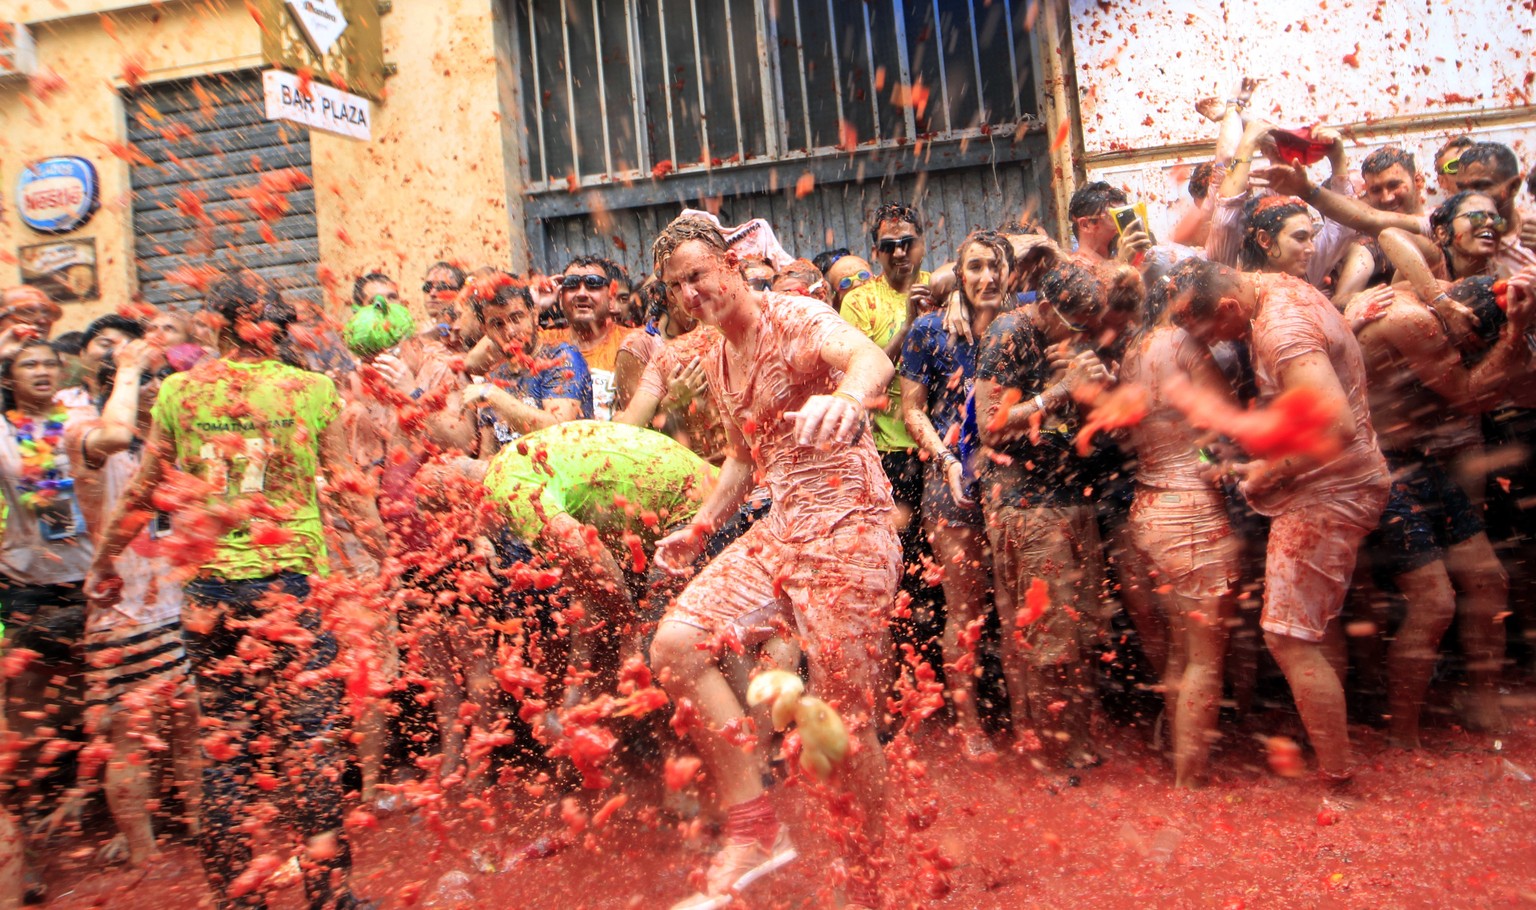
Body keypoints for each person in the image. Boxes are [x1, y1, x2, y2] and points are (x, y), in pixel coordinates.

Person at [86, 269, 386, 910]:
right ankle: (331, 898)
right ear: (276, 327)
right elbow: (346, 481)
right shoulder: (309, 388)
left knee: (224, 750)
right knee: (309, 744)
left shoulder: (177, 393)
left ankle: (236, 899)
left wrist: (103, 563)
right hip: (291, 587)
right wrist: (381, 553)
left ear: (215, 325)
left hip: (211, 593)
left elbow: (142, 493)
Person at [648, 215, 899, 910]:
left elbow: (870, 358)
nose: (690, 293)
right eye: (676, 287)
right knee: (674, 645)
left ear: (729, 264)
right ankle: (755, 827)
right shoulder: (714, 357)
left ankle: (869, 883)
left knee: (847, 723)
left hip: (851, 534)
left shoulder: (797, 317)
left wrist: (849, 399)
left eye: (698, 275)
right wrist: (700, 529)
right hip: (782, 534)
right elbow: (739, 456)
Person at [1170, 256, 1389, 782]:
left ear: (1227, 306)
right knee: (1310, 630)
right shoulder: (1267, 286)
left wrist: (1269, 473)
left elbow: (1336, 429)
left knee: (1287, 638)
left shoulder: (1282, 326)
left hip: (1331, 491)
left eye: (1213, 332)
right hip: (1330, 481)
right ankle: (1333, 753)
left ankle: (1339, 778)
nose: (1217, 344)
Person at [1344, 272, 1533, 742]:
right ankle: (1402, 732)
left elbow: (1497, 389)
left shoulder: (1442, 301)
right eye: (1468, 349)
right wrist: (1512, 335)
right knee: (1435, 602)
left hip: (1419, 463)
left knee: (1490, 580)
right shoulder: (1413, 319)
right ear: (1463, 325)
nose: (1464, 358)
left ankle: (1480, 701)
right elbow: (1470, 394)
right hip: (1373, 467)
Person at [974, 260, 1115, 770]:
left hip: (1072, 492)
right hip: (1026, 501)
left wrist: (1100, 384)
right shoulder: (1008, 333)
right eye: (1078, 323)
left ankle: (1075, 740)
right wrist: (1061, 389)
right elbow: (990, 425)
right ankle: (1052, 755)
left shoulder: (1071, 337)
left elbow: (1082, 410)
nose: (1087, 333)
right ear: (1049, 308)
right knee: (1046, 637)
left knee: (1078, 633)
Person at [67, 340, 200, 867]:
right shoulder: (87, 436)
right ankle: (144, 855)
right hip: (121, 613)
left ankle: (199, 828)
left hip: (174, 608)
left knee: (188, 721)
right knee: (129, 735)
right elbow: (118, 432)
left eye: (161, 376)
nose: (158, 385)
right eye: (149, 379)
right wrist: (128, 366)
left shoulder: (169, 441)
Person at [1120, 259, 1244, 786]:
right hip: (1189, 513)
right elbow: (1220, 431)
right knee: (1204, 659)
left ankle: (1177, 761)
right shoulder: (1186, 349)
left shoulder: (1133, 351)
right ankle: (1189, 783)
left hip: (1147, 510)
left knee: (1179, 646)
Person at [899, 230, 1010, 760]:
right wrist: (945, 462)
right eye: (975, 268)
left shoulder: (1021, 325)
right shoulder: (929, 330)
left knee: (1015, 606)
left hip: (1015, 483)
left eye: (996, 266)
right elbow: (911, 409)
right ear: (959, 277)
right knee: (965, 609)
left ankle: (1029, 715)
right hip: (951, 485)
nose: (987, 277)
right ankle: (969, 723)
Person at [461, 274, 592, 452]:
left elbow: (560, 430)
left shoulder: (561, 357)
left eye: (516, 318)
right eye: (497, 324)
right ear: (486, 331)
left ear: (534, 316)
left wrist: (494, 396)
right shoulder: (494, 378)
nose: (510, 331)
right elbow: (488, 456)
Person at [557, 256, 634, 419]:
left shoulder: (634, 342)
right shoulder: (544, 343)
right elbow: (493, 349)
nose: (582, 293)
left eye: (593, 284)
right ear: (560, 298)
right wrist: (534, 305)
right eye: (571, 285)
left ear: (611, 298)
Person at [78, 315, 145, 401]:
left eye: (127, 348)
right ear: (83, 353)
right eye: (105, 344)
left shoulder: (145, 401)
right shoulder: (63, 400)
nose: (117, 353)